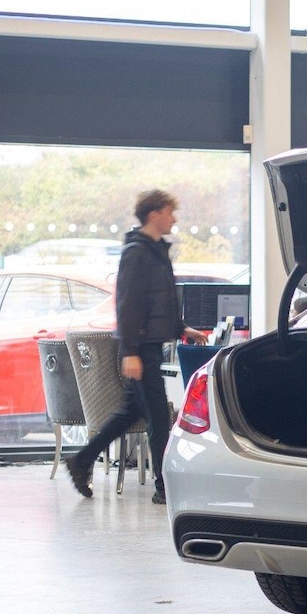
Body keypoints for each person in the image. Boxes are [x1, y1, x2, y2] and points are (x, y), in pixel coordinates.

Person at [66, 190, 209, 504]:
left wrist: (180, 328)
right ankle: (164, 488)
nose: (174, 218)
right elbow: (128, 304)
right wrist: (130, 351)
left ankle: (81, 460)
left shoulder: (156, 250)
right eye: (170, 212)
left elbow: (158, 301)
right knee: (158, 418)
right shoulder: (137, 252)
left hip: (149, 346)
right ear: (155, 213)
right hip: (140, 349)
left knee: (131, 413)